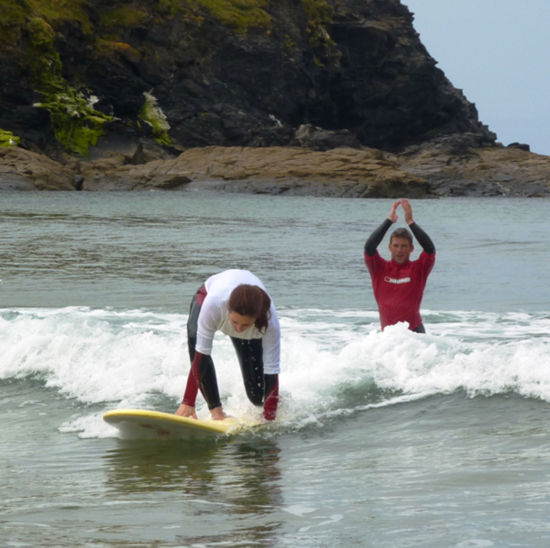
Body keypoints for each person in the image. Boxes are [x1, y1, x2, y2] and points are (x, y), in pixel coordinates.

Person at [175, 269, 280, 421]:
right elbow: (201, 356)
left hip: (251, 314)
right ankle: (217, 412)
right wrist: (188, 401)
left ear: (256, 318)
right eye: (235, 322)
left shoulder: (270, 324)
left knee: (257, 397)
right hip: (207, 294)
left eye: (245, 325)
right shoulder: (214, 304)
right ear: (228, 309)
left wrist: (269, 420)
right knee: (195, 339)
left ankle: (276, 403)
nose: (238, 329)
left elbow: (271, 371)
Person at [364, 199, 435, 333]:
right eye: (396, 246)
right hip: (388, 335)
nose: (399, 250)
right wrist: (389, 221)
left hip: (415, 334)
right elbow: (369, 247)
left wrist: (411, 222)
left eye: (404, 246)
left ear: (411, 249)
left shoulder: (419, 269)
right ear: (390, 247)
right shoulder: (378, 268)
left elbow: (430, 249)